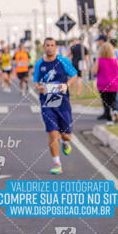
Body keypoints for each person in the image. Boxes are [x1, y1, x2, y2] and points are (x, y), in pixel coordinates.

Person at [33, 37, 78, 175]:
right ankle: (57, 164)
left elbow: (74, 75)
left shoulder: (63, 61)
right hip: (47, 104)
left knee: (66, 136)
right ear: (44, 47)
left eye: (52, 45)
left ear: (55, 47)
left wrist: (67, 84)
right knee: (53, 134)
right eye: (47, 45)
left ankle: (65, 143)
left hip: (63, 103)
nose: (49, 47)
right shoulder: (39, 64)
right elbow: (35, 81)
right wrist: (39, 87)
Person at [92, 40, 118, 125]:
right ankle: (115, 111)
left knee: (105, 101)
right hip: (114, 84)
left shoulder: (99, 60)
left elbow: (94, 71)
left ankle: (109, 119)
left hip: (103, 84)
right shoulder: (114, 60)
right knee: (113, 100)